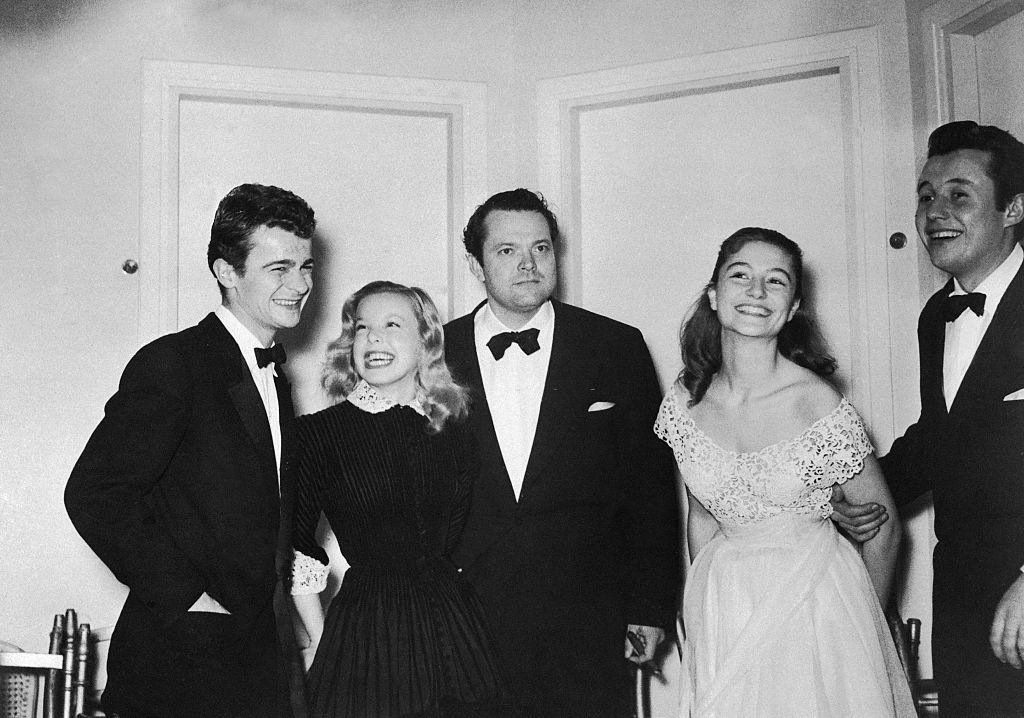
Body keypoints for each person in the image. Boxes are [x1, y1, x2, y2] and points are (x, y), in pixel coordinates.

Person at [65, 183, 316, 717]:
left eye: (306, 267)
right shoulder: (175, 362)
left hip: (255, 670)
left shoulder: (276, 374)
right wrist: (190, 599)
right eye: (279, 269)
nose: (300, 285)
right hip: (177, 667)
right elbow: (94, 493)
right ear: (227, 272)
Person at [655, 227, 915, 716]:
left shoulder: (817, 403)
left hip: (816, 606)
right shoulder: (684, 402)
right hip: (727, 605)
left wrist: (864, 628)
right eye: (740, 276)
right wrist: (699, 613)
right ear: (713, 294)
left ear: (793, 306)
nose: (756, 292)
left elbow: (884, 532)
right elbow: (703, 516)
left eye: (776, 282)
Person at [443, 188, 680, 718]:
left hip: (588, 618)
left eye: (541, 248)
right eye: (507, 250)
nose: (528, 263)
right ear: (476, 263)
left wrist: (650, 606)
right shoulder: (434, 353)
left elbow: (651, 489)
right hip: (464, 620)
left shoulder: (616, 346)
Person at [833, 120, 1024, 716]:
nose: (935, 212)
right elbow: (938, 438)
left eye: (959, 194)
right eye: (925, 196)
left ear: (1014, 207)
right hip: (962, 593)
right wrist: (853, 491)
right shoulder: (936, 316)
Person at [290, 281, 515, 718]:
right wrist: (322, 640)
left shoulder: (455, 429)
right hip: (369, 632)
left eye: (392, 324)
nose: (373, 338)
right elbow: (296, 547)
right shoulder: (319, 433)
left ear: (426, 340)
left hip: (455, 628)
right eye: (361, 328)